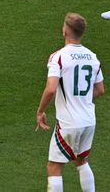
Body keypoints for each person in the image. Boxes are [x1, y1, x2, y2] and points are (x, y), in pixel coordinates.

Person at [36, 13, 104, 192]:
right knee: (81, 161)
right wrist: (81, 99)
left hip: (69, 122)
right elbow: (100, 90)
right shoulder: (93, 57)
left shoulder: (58, 57)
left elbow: (51, 89)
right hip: (89, 120)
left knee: (54, 167)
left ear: (65, 31)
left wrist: (40, 111)